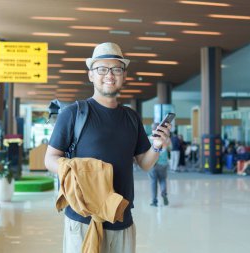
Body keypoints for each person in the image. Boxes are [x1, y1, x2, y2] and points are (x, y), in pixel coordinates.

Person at [44, 42, 171, 253]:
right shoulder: (74, 114)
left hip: (122, 220)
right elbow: (49, 159)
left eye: (116, 69)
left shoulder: (131, 117)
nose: (109, 75)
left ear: (124, 75)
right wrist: (79, 170)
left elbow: (144, 163)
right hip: (83, 220)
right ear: (91, 75)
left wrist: (157, 147)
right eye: (102, 69)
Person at [148, 122, 170, 207]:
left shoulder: (149, 138)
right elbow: (168, 148)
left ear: (152, 129)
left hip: (152, 163)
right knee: (163, 180)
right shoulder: (164, 138)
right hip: (163, 163)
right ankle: (163, 193)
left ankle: (154, 201)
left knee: (153, 182)